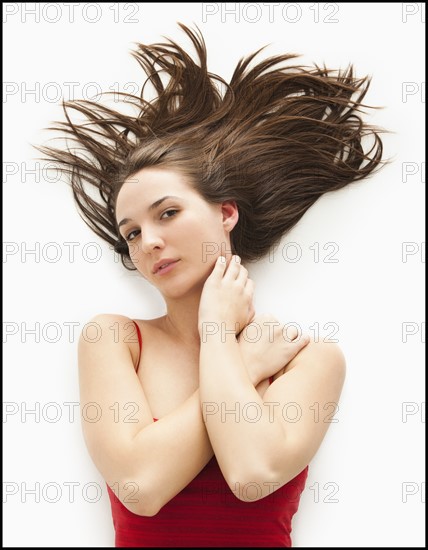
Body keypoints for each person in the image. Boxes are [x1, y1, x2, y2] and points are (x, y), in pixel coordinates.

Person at [35, 23, 385, 547]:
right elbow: (141, 487)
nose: (148, 240)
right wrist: (239, 361)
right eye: (131, 232)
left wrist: (220, 337)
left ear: (225, 213)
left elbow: (251, 473)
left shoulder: (307, 361)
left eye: (168, 213)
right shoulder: (113, 340)